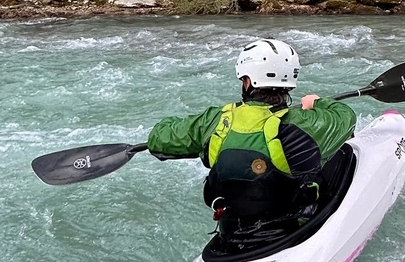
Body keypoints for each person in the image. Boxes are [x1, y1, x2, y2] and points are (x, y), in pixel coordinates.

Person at [147, 39, 356, 237]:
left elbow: (157, 138)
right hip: (291, 229)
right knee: (338, 154)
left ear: (247, 80)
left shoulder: (215, 120)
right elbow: (346, 117)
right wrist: (317, 102)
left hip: (231, 231)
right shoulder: (306, 123)